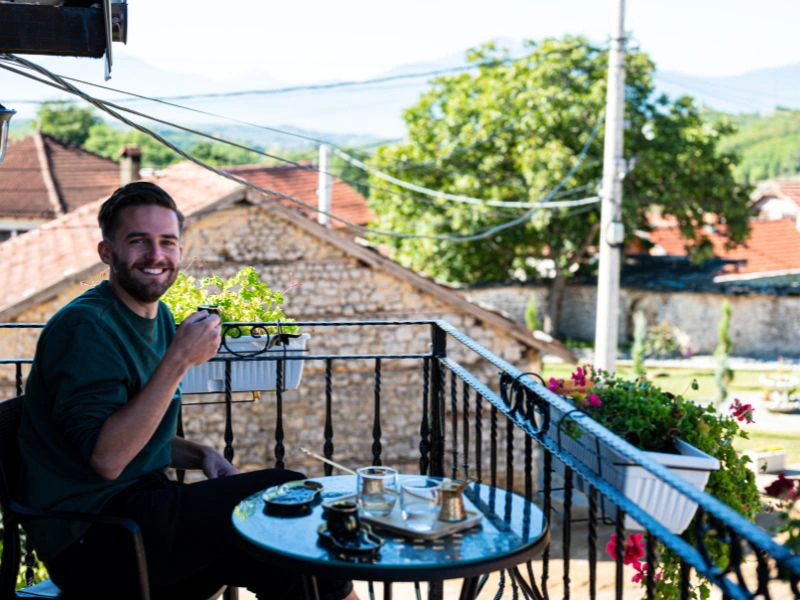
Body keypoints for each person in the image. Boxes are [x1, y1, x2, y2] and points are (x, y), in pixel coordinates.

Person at [17, 181, 357, 600]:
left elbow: (135, 429)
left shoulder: (157, 319)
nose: (156, 255)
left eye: (167, 242)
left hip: (142, 515)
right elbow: (106, 458)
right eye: (138, 242)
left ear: (180, 252)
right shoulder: (86, 328)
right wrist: (178, 360)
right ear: (108, 253)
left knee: (285, 561)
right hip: (95, 539)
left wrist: (201, 454)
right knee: (287, 490)